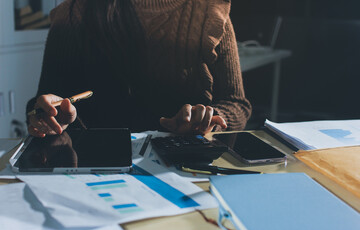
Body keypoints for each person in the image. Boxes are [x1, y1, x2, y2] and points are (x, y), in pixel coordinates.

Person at [26, 0, 252, 137]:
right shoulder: (73, 13)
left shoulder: (208, 11)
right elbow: (42, 103)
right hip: (94, 171)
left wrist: (209, 122)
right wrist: (48, 118)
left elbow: (236, 103)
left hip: (184, 171)